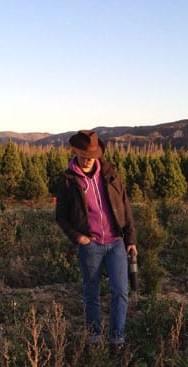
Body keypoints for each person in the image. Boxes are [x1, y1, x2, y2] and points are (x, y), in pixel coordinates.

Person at [55, 130, 137, 350]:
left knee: (120, 291)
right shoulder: (68, 180)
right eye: (84, 153)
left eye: (92, 154)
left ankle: (117, 340)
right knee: (91, 292)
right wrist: (78, 237)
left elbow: (124, 205)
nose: (88, 158)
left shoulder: (110, 174)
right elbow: (60, 216)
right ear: (76, 152)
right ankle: (93, 338)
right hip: (90, 245)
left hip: (116, 242)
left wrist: (130, 239)